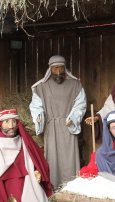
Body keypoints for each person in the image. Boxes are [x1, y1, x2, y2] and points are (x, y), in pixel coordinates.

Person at [30, 55, 87, 187]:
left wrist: (73, 117)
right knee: (52, 157)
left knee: (69, 156)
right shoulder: (41, 86)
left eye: (61, 68)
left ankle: (71, 186)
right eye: (55, 68)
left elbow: (81, 104)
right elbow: (36, 105)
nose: (59, 71)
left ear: (65, 68)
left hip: (68, 126)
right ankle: (54, 186)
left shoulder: (75, 84)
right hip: (51, 126)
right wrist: (38, 115)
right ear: (50, 69)